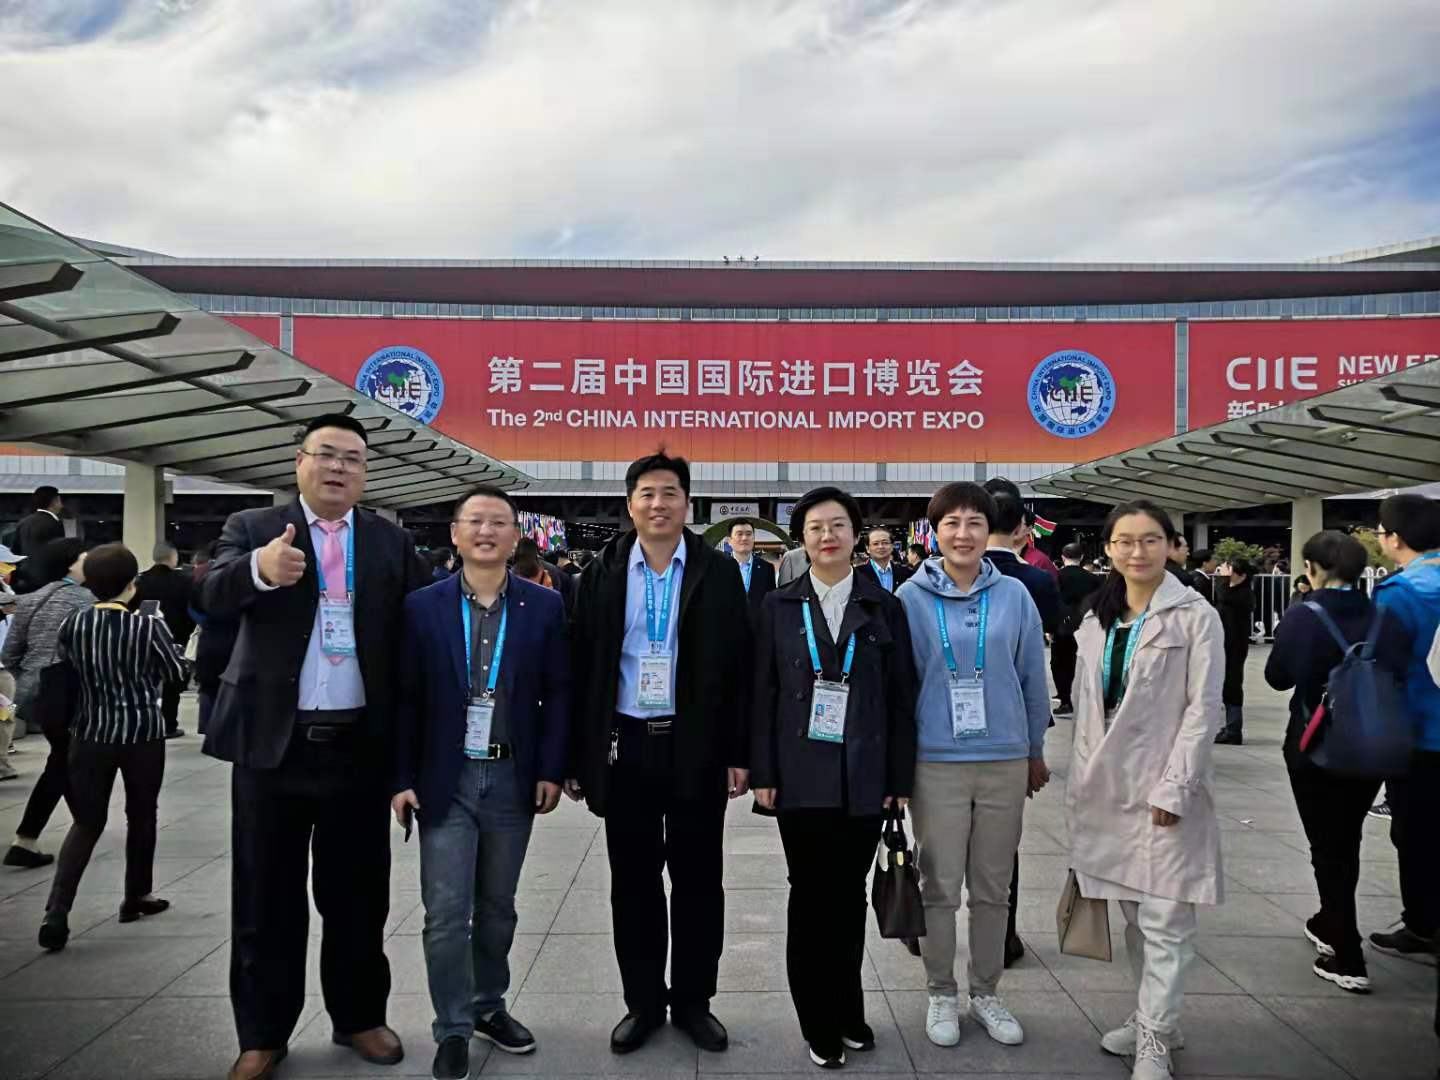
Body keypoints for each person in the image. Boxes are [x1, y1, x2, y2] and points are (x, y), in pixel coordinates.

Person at [201, 414, 430, 1080]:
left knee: (358, 894)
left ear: (365, 473)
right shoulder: (253, 528)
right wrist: (260, 570)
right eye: (326, 454)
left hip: (358, 745)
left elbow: (422, 624)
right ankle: (262, 1033)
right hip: (274, 744)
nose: (338, 468)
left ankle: (359, 1017)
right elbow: (209, 594)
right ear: (299, 461)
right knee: (264, 895)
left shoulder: (389, 541)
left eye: (352, 459)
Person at [566, 452, 749, 1055]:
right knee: (634, 883)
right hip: (626, 746)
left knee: (699, 880)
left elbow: (739, 669)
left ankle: (694, 1002)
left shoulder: (717, 573)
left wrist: (738, 751)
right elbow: (582, 668)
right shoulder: (602, 572)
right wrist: (578, 756)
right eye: (646, 493)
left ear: (687, 504)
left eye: (670, 493)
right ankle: (643, 1003)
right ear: (630, 504)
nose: (658, 504)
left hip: (695, 747)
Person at [392, 486, 571, 1080]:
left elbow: (559, 694)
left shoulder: (543, 607)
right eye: (475, 521)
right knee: (446, 912)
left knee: (497, 908)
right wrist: (400, 777)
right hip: (445, 779)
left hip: (512, 774)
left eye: (499, 522)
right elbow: (404, 698)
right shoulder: (422, 607)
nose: (487, 531)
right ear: (455, 533)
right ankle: (452, 1027)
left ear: (516, 536)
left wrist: (550, 769)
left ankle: (488, 1005)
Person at [750, 487, 917, 1068]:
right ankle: (817, 1018)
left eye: (838, 525)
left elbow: (902, 698)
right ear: (802, 538)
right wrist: (763, 771)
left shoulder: (883, 606)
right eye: (816, 527)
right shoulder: (777, 606)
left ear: (855, 535)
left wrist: (899, 778)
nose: (828, 536)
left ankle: (848, 1008)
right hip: (799, 775)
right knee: (810, 895)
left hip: (865, 775)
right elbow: (762, 693)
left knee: (848, 897)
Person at [1066, 500, 1224, 1080]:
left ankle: (1156, 1038)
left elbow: (1203, 710)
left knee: (1166, 918)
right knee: (1136, 915)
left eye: (1151, 539)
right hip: (1108, 788)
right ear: (1108, 548)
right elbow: (1086, 707)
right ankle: (1153, 1016)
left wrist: (1176, 787)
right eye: (1125, 541)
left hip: (1163, 787)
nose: (1138, 552)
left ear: (1171, 545)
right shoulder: (1097, 618)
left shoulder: (1195, 616)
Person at [896, 482, 1050, 1051]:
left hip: (1004, 758)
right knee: (938, 884)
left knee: (993, 886)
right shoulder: (909, 598)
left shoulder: (1014, 595)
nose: (963, 534)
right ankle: (941, 990)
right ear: (934, 532)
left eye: (974, 523)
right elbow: (899, 688)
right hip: (935, 760)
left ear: (992, 531)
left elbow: (1033, 676)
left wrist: (1034, 749)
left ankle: (986, 991)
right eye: (951, 523)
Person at [1265, 530, 1410, 994]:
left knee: (1327, 845)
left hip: (1314, 743)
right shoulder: (1385, 615)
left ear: (1311, 568)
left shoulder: (1303, 616)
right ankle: (1329, 918)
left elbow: (1276, 677)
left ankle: (1346, 951)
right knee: (1345, 837)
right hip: (1371, 744)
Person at [37, 543, 187, 951]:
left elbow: (65, 668)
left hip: (89, 732)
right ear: (132, 584)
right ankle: (136, 895)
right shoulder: (147, 626)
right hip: (141, 733)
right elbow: (175, 673)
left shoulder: (73, 623)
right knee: (142, 814)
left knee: (86, 822)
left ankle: (56, 910)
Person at [1370, 494, 1440, 961]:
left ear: (1395, 538)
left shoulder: (1401, 592)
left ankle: (1423, 925)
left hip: (1421, 732)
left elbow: (1381, 667)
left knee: (1416, 834)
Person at [2, 539, 92, 867]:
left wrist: (30, 677)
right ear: (71, 563)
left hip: (36, 695)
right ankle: (32, 837)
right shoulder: (87, 601)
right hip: (70, 692)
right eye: (85, 557)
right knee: (65, 760)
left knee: (63, 758)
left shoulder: (30, 600)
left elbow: (10, 654)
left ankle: (69, 827)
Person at [130, 541, 195, 739]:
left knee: (145, 681)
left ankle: (145, 723)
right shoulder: (185, 581)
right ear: (173, 557)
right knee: (172, 683)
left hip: (144, 637)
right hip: (176, 637)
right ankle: (169, 725)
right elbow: (191, 610)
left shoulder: (140, 580)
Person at [1053, 542, 1102, 717]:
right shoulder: (1094, 579)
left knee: (1060, 663)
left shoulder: (1056, 577)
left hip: (1062, 626)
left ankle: (1065, 700)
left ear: (1063, 557)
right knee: (1084, 662)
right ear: (1081, 557)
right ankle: (1084, 698)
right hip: (1087, 625)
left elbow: (1053, 603)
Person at [1214, 558, 1255, 745]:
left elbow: (1223, 595)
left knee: (1232, 685)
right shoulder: (1232, 591)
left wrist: (1223, 579)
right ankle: (1230, 727)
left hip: (1234, 645)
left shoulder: (1244, 594)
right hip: (1224, 643)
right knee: (1225, 685)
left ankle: (1234, 729)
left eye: (1230, 570)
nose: (1225, 573)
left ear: (1242, 575)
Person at [728, 519, 776, 622]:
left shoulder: (767, 569)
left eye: (748, 534)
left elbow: (772, 603)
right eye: (739, 534)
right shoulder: (718, 567)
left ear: (753, 539)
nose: (744, 538)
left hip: (759, 628)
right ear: (730, 541)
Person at [856, 526, 914, 595]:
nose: (881, 547)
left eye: (885, 543)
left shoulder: (906, 573)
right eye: (875, 544)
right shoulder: (857, 574)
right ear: (868, 548)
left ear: (892, 546)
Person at [14, 485, 64, 559]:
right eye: (59, 501)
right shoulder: (55, 524)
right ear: (54, 502)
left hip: (23, 566)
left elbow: (15, 552)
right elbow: (59, 553)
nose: (61, 506)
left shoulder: (23, 522)